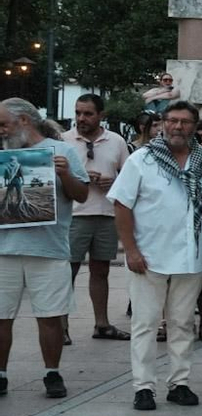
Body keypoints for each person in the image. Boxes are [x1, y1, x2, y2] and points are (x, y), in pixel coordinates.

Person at [112, 101, 202, 410]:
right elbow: (121, 206)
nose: (178, 127)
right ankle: (144, 387)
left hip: (191, 256)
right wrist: (130, 250)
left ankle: (179, 383)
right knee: (146, 323)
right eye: (172, 120)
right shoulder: (142, 160)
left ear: (194, 127)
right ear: (162, 123)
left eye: (185, 122)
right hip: (149, 256)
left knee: (182, 323)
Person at [0, 98, 87, 399]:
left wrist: (65, 175)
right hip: (4, 249)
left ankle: (52, 372)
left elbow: (83, 195)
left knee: (50, 316)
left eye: (4, 124)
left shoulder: (63, 151)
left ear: (24, 120)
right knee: (1, 315)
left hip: (49, 249)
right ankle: (0, 374)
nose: (1, 131)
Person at [64, 93, 129, 341]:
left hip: (106, 214)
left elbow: (128, 177)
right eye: (78, 112)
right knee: (66, 272)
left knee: (101, 271)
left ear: (101, 116)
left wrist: (113, 182)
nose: (81, 118)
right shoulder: (64, 140)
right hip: (75, 216)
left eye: (88, 113)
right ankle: (61, 326)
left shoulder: (116, 141)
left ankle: (102, 323)